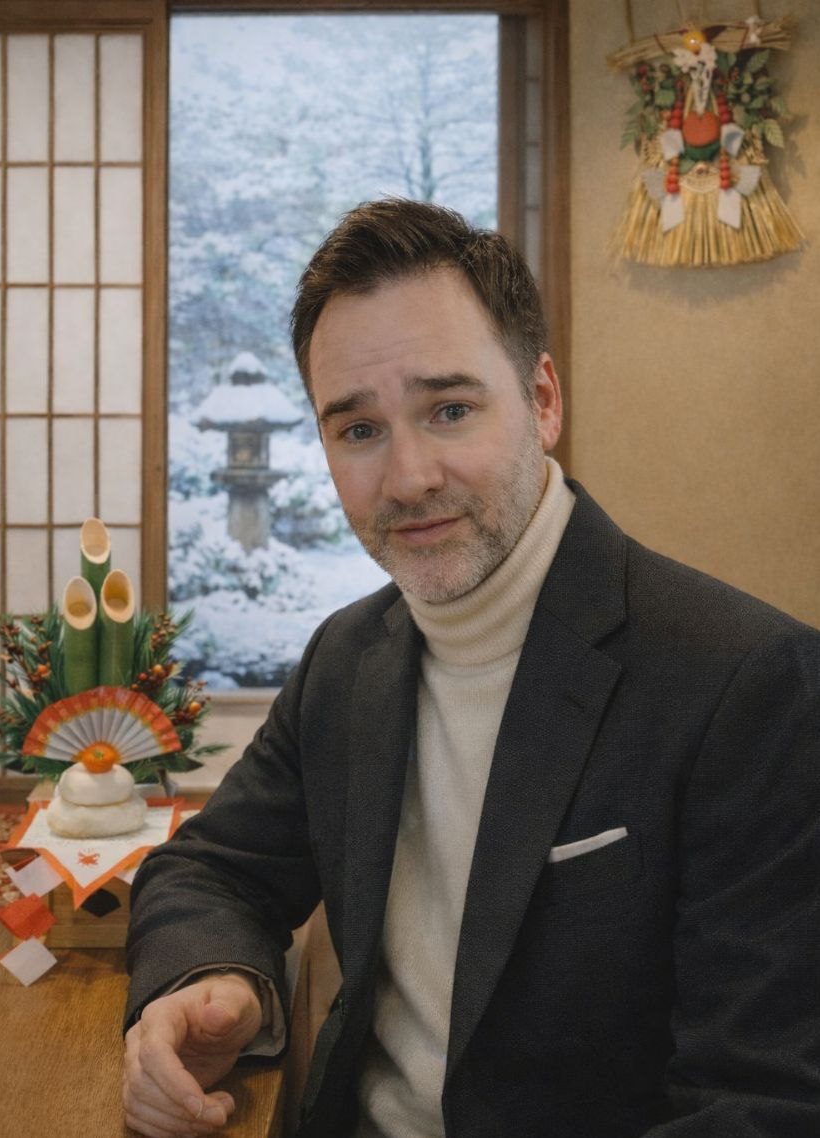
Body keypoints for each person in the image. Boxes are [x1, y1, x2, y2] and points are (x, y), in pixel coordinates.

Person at [123, 199, 820, 1138]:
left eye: (448, 409)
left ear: (541, 399)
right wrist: (211, 982)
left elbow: (763, 1100)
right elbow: (213, 868)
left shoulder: (744, 680)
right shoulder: (348, 656)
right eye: (358, 430)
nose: (407, 477)